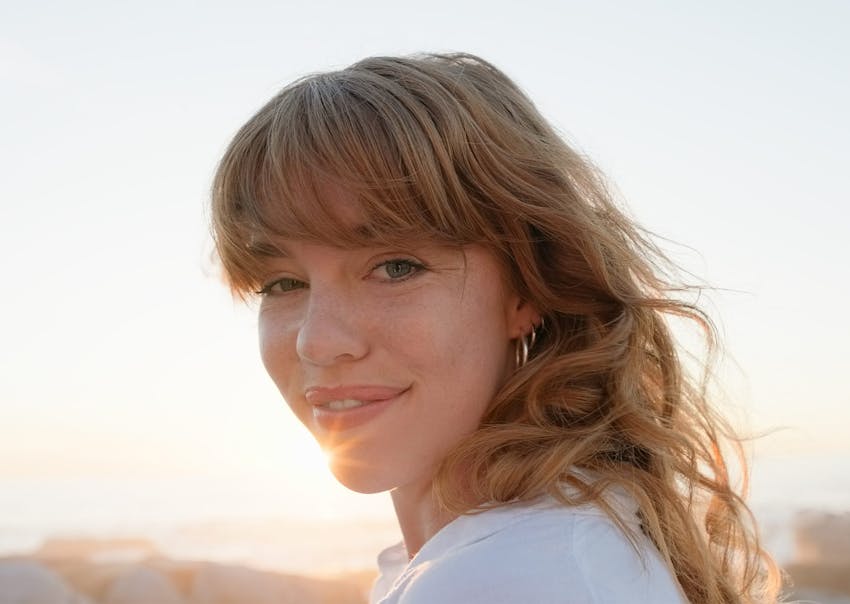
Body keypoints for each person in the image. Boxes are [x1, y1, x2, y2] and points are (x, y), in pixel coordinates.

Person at [210, 53, 782, 603]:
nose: (317, 342)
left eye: (395, 267)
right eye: (283, 283)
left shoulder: (500, 577)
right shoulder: (573, 537)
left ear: (527, 287)